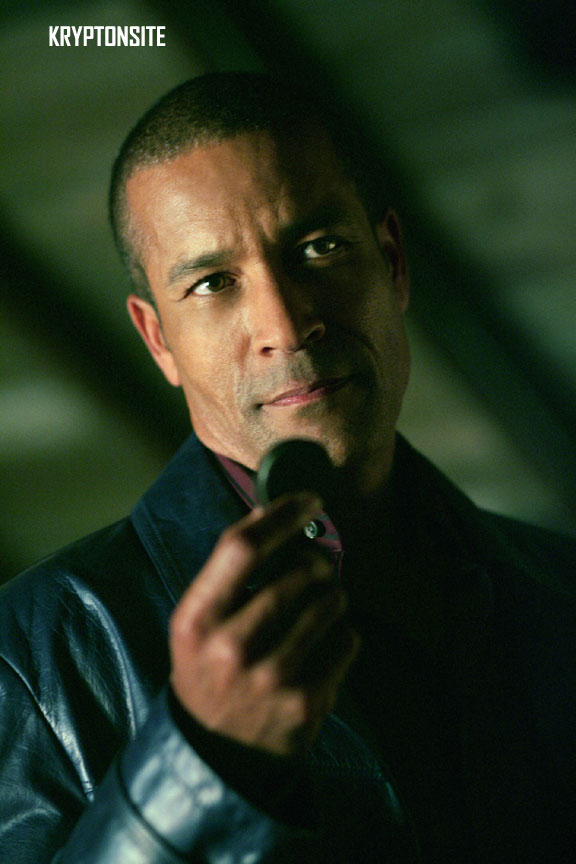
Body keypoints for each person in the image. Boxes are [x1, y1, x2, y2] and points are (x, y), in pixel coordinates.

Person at [0, 72, 575, 864]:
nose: (285, 324)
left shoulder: (560, 585)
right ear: (158, 340)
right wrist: (202, 762)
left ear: (392, 263)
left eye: (319, 248)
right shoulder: (27, 658)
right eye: (213, 283)